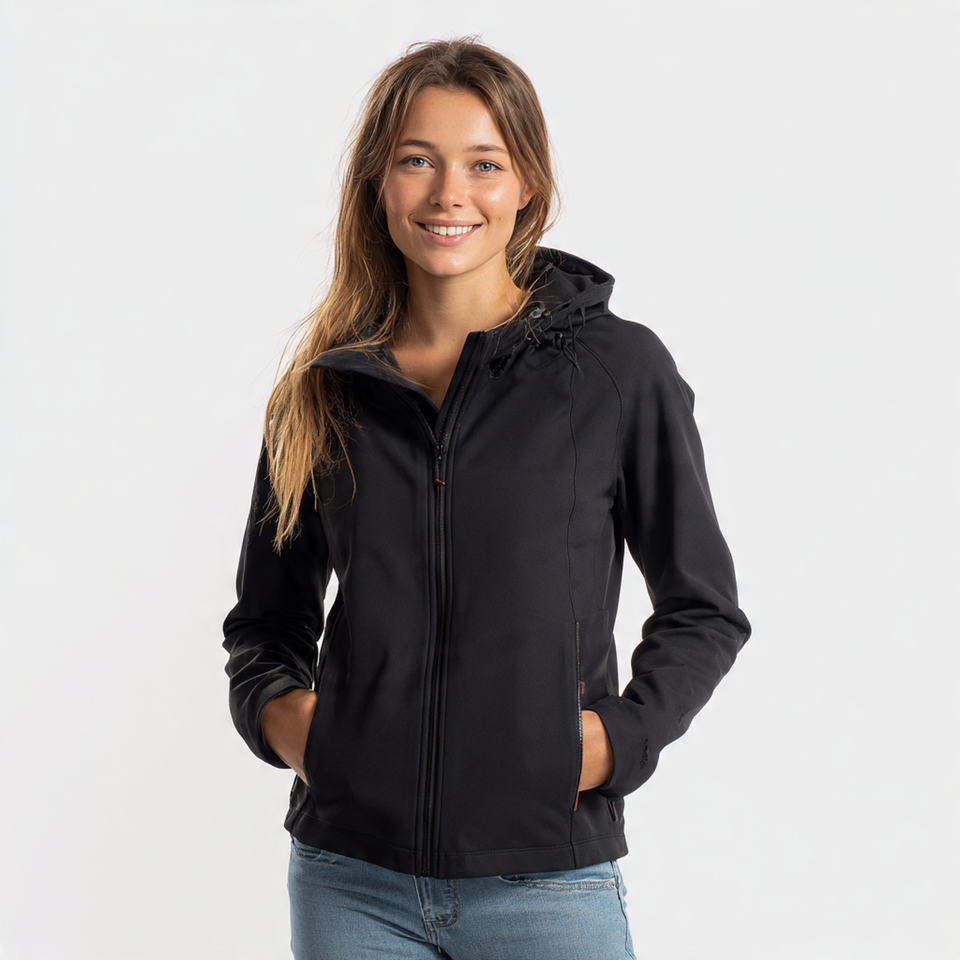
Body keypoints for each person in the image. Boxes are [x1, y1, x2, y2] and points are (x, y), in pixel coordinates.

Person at [221, 36, 752, 960]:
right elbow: (265, 624)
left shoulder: (616, 371)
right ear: (377, 184)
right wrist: (296, 728)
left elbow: (704, 608)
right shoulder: (323, 392)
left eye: (483, 164)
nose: (448, 194)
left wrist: (613, 741)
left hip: (546, 880)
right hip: (350, 882)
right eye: (416, 161)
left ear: (526, 185)